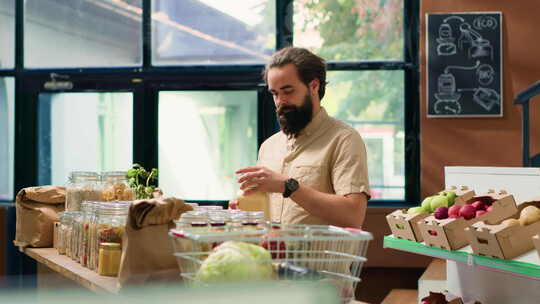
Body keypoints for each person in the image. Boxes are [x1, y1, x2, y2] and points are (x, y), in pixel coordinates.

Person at [234, 47, 370, 228]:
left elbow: (352, 216)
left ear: (314, 86)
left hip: (326, 257)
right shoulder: (269, 146)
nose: (280, 102)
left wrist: (288, 186)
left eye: (288, 91)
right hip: (272, 256)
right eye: (275, 94)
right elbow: (264, 217)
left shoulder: (344, 140)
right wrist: (244, 213)